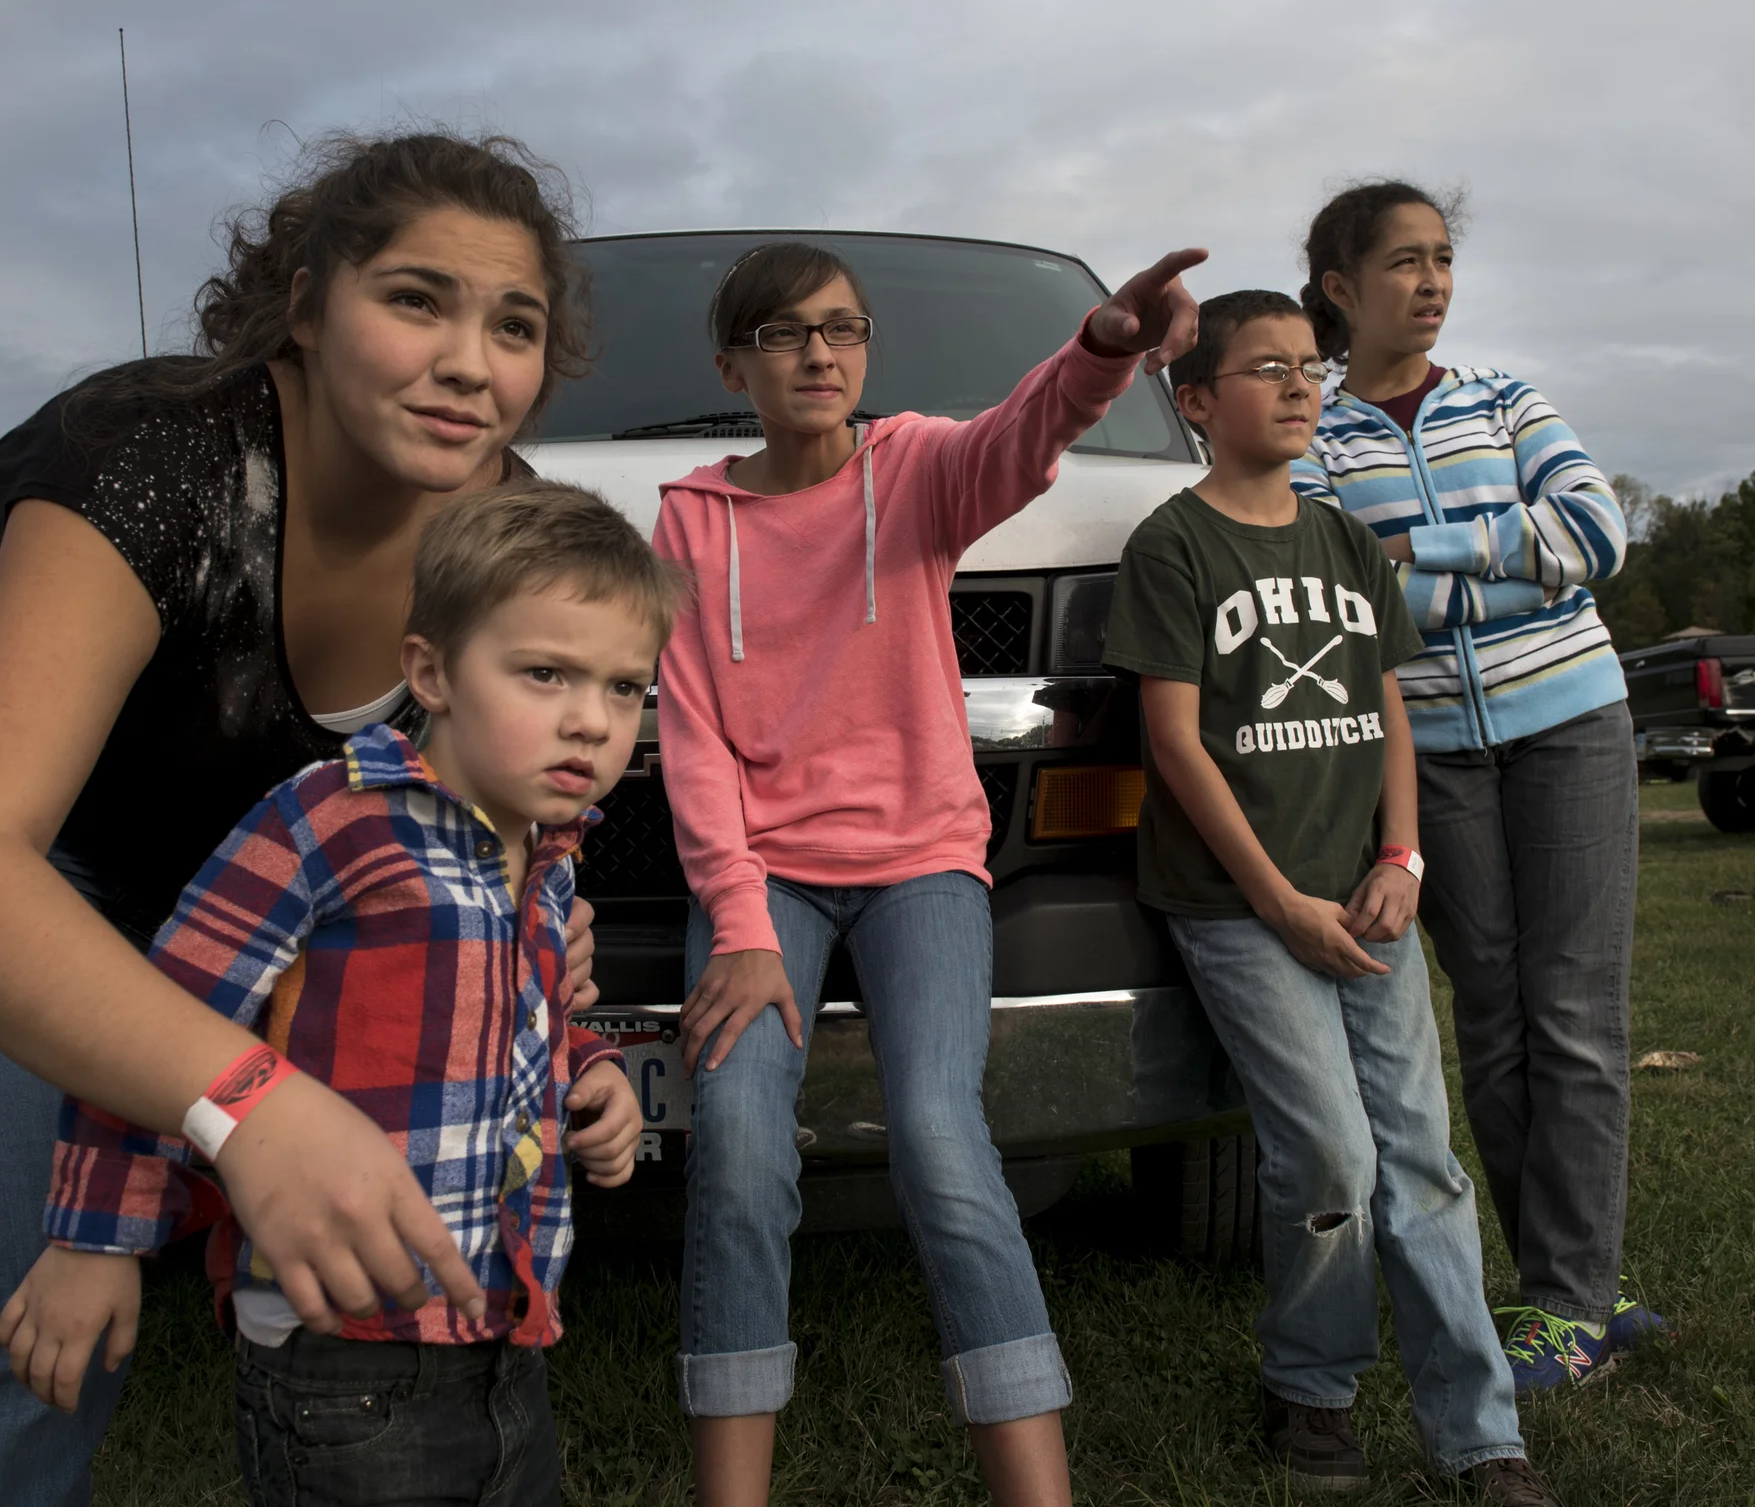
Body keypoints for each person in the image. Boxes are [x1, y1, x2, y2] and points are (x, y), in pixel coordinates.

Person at [0, 131, 605, 1507]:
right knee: (28, 1244)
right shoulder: (152, 452)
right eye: (416, 299)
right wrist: (250, 1106)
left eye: (513, 325)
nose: (471, 362)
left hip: (212, 870)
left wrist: (542, 917)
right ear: (303, 305)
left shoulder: (502, 522)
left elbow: (504, 778)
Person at [654, 239, 1205, 1507]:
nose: (820, 354)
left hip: (921, 865)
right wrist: (737, 921)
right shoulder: (689, 520)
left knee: (944, 1141)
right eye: (787, 333)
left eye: (843, 330)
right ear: (733, 361)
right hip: (762, 881)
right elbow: (689, 741)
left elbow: (1019, 437)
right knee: (736, 1146)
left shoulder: (912, 470)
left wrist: (1104, 347)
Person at [0, 483, 663, 1506]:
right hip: (341, 1355)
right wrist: (97, 1236)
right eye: (545, 673)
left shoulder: (544, 851)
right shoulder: (328, 821)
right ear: (430, 671)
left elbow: (507, 1016)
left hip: (501, 1335)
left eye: (625, 688)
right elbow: (160, 1019)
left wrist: (592, 1066)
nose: (591, 720)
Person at [1104, 288, 1558, 1505]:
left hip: (1365, 903)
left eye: (1311, 366)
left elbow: (1389, 705)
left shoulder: (1345, 538)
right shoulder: (1174, 546)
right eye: (1267, 369)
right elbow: (1177, 745)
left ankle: (1480, 1435)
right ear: (1196, 402)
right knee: (1328, 1160)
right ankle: (1311, 1387)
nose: (1303, 387)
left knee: (1422, 1160)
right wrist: (1277, 900)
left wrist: (1400, 862)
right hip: (1237, 907)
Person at [1292, 181, 1663, 1394]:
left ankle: (1569, 1299)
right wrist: (1511, 557)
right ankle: (1571, 1288)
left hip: (1572, 726)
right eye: (1404, 261)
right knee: (1496, 1022)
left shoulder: (1506, 399)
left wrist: (1428, 551)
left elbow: (1598, 534)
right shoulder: (1317, 443)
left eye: (1443, 258)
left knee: (1577, 1016)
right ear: (1341, 289)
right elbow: (1344, 608)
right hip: (1432, 756)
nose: (1433, 282)